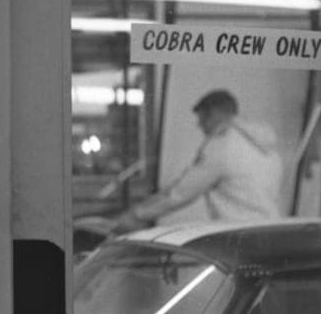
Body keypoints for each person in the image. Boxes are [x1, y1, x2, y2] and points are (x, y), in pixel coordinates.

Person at [110, 89, 283, 232]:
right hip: (269, 228)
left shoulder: (222, 145)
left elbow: (181, 193)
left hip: (240, 233)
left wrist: (136, 214)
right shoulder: (261, 142)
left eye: (201, 120)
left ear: (213, 115)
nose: (200, 126)